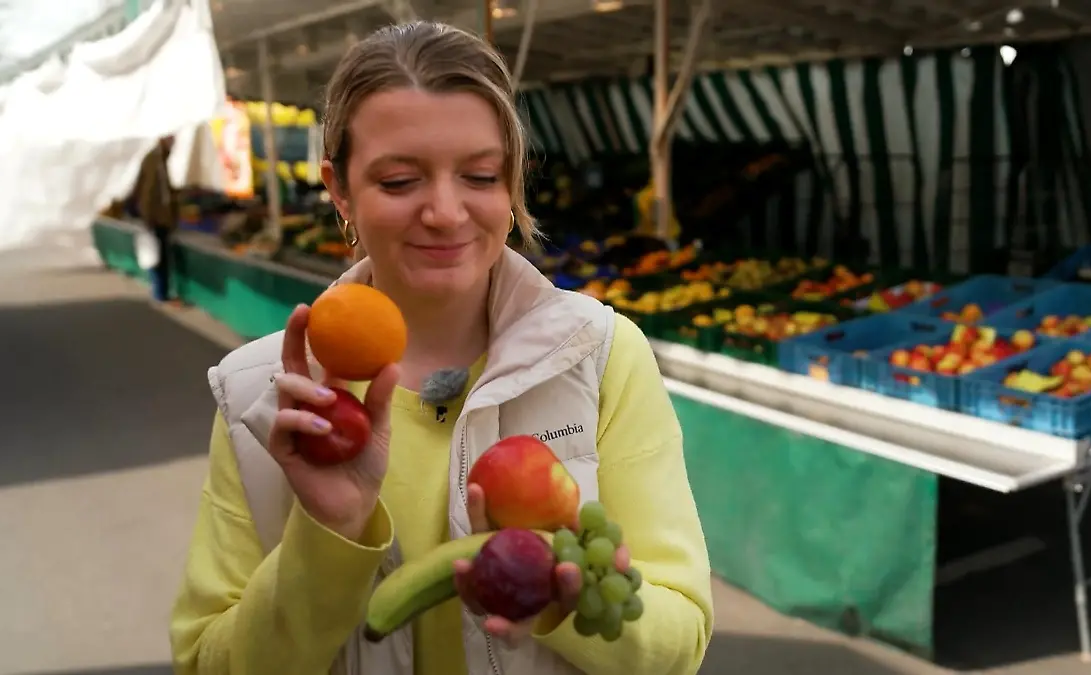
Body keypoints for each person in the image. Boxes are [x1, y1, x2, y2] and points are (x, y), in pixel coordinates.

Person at [169, 21, 713, 675]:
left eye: (480, 176)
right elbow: (206, 662)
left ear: (512, 182)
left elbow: (681, 636)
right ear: (339, 188)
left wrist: (564, 602)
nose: (447, 211)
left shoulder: (599, 356)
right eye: (400, 182)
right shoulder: (262, 395)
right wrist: (327, 534)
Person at [134, 135, 177, 301]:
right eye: (171, 138)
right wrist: (148, 216)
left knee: (159, 255)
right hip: (157, 217)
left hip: (159, 216)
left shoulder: (161, 159)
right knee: (159, 257)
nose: (174, 141)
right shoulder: (155, 161)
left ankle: (161, 291)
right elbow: (149, 192)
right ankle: (161, 293)